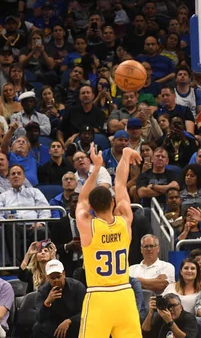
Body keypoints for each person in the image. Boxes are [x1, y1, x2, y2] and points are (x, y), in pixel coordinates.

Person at [75, 143, 142, 337]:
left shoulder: (89, 226)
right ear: (112, 203)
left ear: (92, 208)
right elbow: (120, 184)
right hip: (125, 296)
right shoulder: (124, 221)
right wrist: (126, 155)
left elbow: (81, 202)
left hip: (99, 296)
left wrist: (96, 168)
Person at [33, 260, 86, 338]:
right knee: (38, 327)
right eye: (52, 278)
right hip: (54, 325)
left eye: (58, 277)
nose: (56, 280)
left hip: (73, 323)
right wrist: (47, 303)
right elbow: (40, 318)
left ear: (64, 274)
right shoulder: (43, 291)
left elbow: (85, 312)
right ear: (47, 278)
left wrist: (69, 321)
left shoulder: (77, 286)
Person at [50, 192, 83, 277]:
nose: (77, 204)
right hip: (68, 264)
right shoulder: (59, 224)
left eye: (80, 202)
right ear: (69, 203)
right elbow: (53, 247)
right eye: (75, 202)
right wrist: (67, 246)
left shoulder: (90, 222)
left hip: (86, 263)